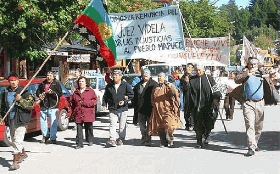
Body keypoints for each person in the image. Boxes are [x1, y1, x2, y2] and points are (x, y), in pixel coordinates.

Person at [233, 57, 277, 156]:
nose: (253, 66)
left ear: (258, 65)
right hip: (248, 103)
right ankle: (251, 146)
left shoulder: (262, 73)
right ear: (248, 65)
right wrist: (246, 74)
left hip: (260, 102)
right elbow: (236, 80)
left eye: (255, 64)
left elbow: (270, 81)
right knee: (250, 124)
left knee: (259, 125)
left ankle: (255, 142)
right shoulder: (245, 73)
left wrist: (267, 75)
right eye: (251, 64)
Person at [1, 72, 34, 170]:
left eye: (14, 80)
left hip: (20, 119)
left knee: (17, 139)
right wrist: (1, 118)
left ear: (18, 81)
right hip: (10, 119)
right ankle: (22, 152)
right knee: (12, 139)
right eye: (11, 81)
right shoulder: (5, 92)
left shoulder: (24, 92)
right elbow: (2, 106)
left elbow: (30, 105)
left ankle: (15, 162)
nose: (13, 82)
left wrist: (21, 100)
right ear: (9, 82)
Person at [189, 64, 222, 148]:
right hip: (196, 106)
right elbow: (189, 92)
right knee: (198, 124)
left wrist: (216, 98)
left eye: (200, 70)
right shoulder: (192, 79)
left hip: (208, 105)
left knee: (208, 122)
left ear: (203, 70)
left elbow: (215, 89)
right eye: (197, 70)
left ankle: (207, 134)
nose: (198, 72)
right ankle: (199, 142)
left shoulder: (209, 78)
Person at [148, 72, 181, 148]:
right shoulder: (155, 87)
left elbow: (175, 93)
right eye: (158, 77)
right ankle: (163, 142)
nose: (159, 78)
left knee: (169, 126)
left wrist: (170, 86)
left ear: (165, 78)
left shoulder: (169, 86)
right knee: (160, 127)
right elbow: (153, 97)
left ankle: (170, 141)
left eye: (161, 77)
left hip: (167, 110)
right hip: (158, 110)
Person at [102, 70, 134, 147]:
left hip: (123, 108)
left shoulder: (125, 85)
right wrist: (104, 104)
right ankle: (112, 139)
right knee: (112, 124)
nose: (114, 76)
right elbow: (105, 96)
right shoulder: (109, 85)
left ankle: (121, 139)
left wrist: (125, 101)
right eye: (113, 75)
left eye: (116, 75)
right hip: (112, 108)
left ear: (121, 76)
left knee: (122, 125)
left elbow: (131, 95)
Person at [69, 76, 97, 149]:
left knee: (89, 127)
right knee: (79, 128)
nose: (81, 83)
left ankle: (89, 139)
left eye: (82, 81)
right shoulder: (75, 92)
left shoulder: (91, 91)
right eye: (80, 81)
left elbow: (95, 101)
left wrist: (85, 103)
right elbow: (72, 103)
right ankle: (79, 143)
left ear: (86, 83)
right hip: (78, 112)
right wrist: (70, 112)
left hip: (88, 112)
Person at [36, 71, 63, 144]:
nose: (48, 77)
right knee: (43, 122)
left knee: (53, 123)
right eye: (47, 75)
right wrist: (39, 95)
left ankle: (53, 137)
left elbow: (60, 93)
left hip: (53, 106)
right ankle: (45, 135)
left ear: (53, 76)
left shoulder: (56, 84)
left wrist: (53, 93)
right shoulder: (42, 83)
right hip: (44, 105)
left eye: (50, 75)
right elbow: (37, 91)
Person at [133, 68, 158, 146]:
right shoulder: (138, 85)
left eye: (147, 73)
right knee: (141, 125)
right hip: (140, 109)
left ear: (150, 75)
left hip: (150, 108)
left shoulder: (154, 84)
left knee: (149, 126)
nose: (145, 74)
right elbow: (134, 97)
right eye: (144, 73)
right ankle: (144, 136)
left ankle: (148, 139)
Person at [180, 63, 196, 131]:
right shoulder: (183, 77)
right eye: (187, 67)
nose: (188, 68)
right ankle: (187, 123)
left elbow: (196, 87)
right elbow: (182, 88)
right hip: (186, 96)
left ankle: (192, 124)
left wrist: (189, 82)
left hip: (193, 96)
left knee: (193, 110)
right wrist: (186, 83)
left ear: (192, 69)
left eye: (190, 67)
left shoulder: (194, 76)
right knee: (186, 111)